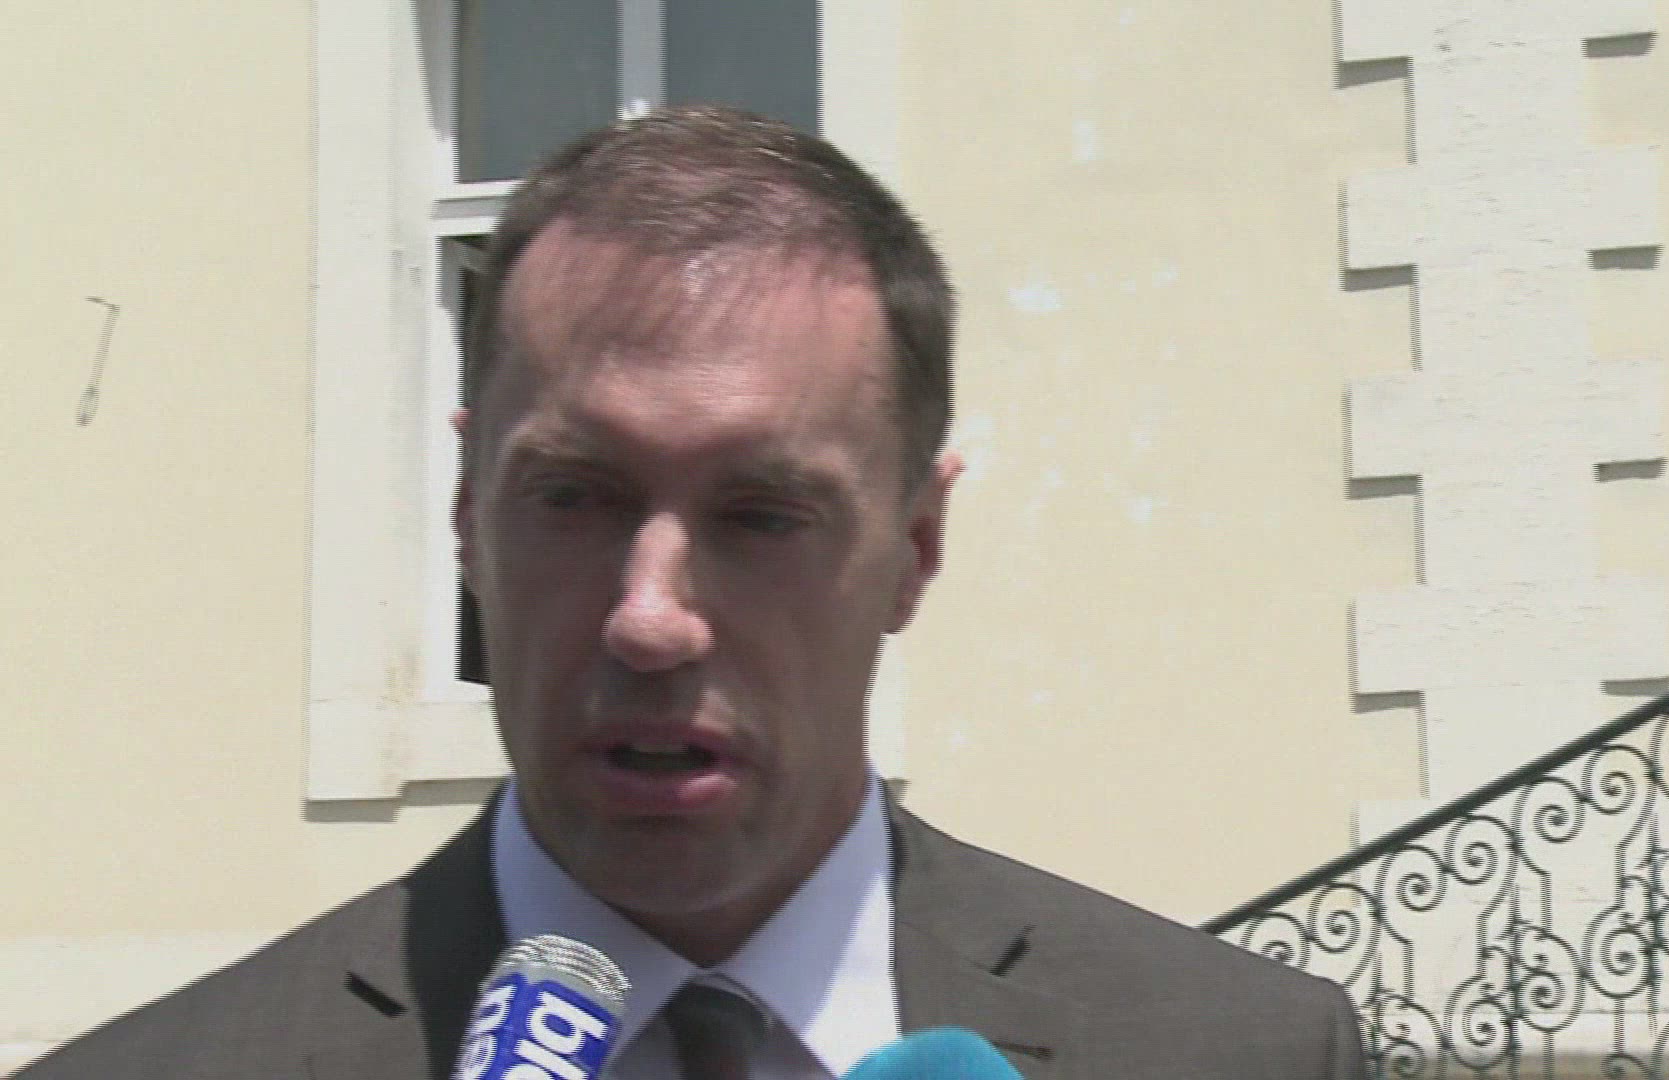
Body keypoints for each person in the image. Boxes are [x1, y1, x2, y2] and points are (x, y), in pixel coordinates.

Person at [21, 106, 1364, 1079]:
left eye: (761, 514)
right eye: (574, 496)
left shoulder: (1240, 1053)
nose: (649, 619)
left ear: (914, 548)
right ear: (467, 511)